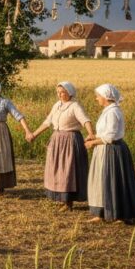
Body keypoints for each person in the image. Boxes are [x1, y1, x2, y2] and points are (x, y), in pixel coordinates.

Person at [27, 83, 94, 211]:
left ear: (69, 92)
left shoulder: (75, 106)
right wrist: (34, 134)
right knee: (56, 170)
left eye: (62, 92)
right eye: (58, 92)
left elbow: (85, 120)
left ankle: (68, 202)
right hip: (57, 140)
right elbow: (48, 122)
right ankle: (60, 198)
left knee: (67, 171)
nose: (59, 94)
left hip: (70, 140)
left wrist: (91, 133)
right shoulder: (57, 105)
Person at [84, 84, 135, 224]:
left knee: (113, 181)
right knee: (100, 181)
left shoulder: (113, 112)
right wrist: (94, 137)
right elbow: (106, 132)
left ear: (106, 97)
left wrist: (93, 143)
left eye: (98, 96)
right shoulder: (108, 110)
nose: (96, 98)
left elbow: (111, 137)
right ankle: (101, 213)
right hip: (104, 150)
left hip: (112, 151)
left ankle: (118, 215)